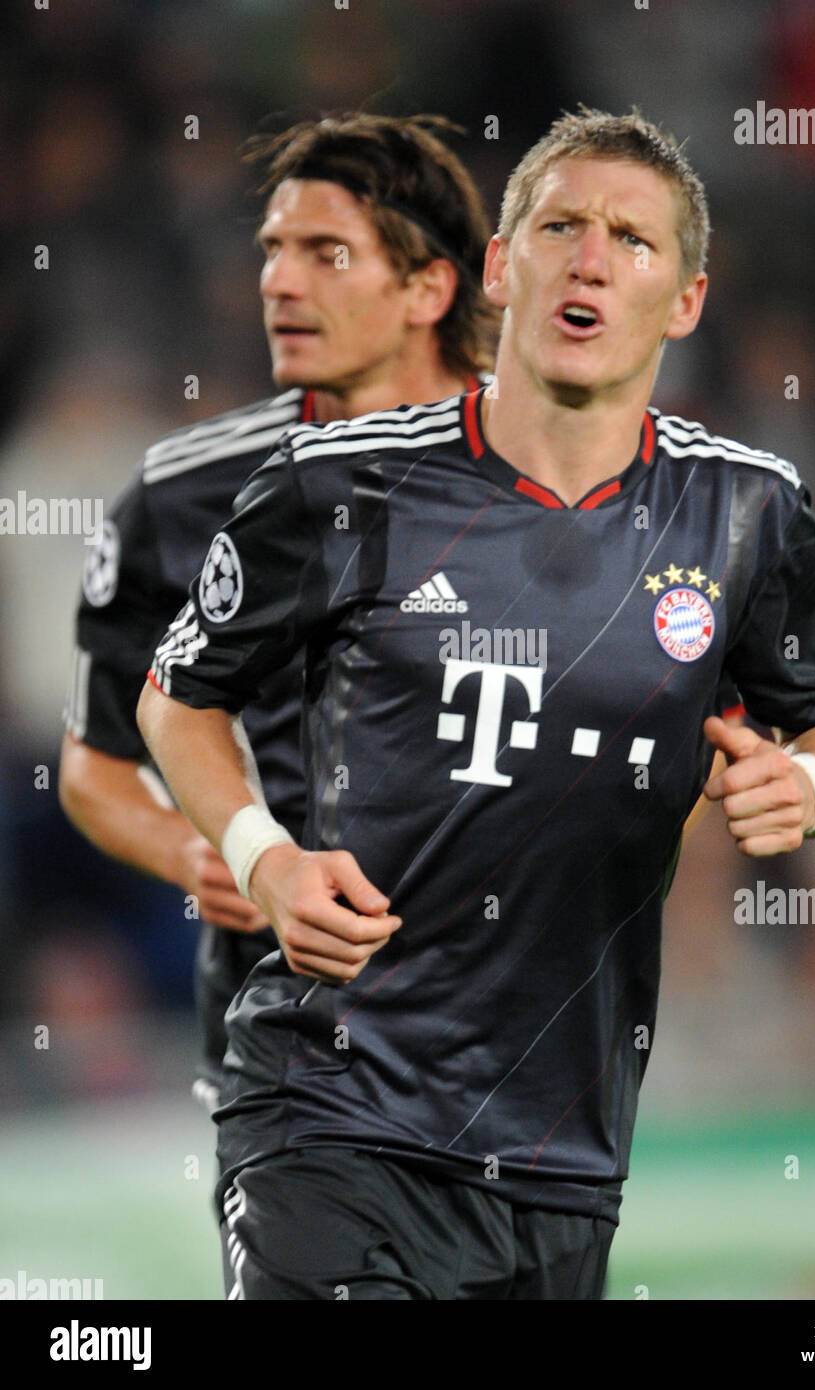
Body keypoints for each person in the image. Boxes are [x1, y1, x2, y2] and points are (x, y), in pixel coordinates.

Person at [137, 108, 815, 1300]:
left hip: (558, 1152)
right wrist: (262, 858)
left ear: (684, 301)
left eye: (632, 241)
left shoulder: (746, 515)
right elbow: (175, 697)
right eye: (560, 225)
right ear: (498, 266)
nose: (590, 258)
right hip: (328, 1106)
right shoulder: (343, 485)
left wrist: (804, 784)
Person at [59, 113, 496, 1108]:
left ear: (429, 286)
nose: (278, 282)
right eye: (272, 251)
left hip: (516, 1039)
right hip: (288, 1040)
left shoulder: (555, 477)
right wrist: (201, 848)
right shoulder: (179, 496)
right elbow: (93, 763)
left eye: (325, 253)